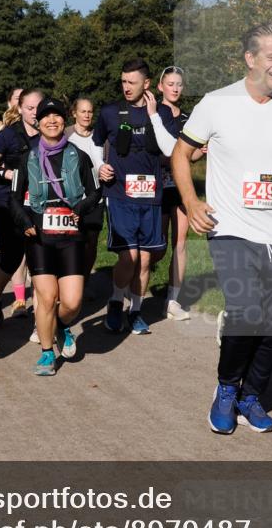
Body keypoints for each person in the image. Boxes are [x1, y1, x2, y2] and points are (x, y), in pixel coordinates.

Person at [172, 23, 272, 435]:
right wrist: (191, 202)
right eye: (271, 56)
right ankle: (225, 389)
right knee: (245, 311)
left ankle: (251, 396)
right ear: (250, 59)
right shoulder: (217, 104)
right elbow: (180, 155)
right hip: (231, 225)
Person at [9, 97, 102, 374]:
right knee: (47, 298)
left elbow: (96, 192)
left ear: (65, 121)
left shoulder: (79, 156)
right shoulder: (27, 158)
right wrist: (24, 220)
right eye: (46, 116)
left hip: (71, 235)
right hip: (39, 236)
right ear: (38, 122)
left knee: (72, 302)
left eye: (57, 116)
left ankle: (61, 326)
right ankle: (47, 354)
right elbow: (14, 199)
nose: (52, 121)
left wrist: (81, 209)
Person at [92, 59, 177, 335]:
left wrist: (153, 114)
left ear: (147, 84)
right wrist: (99, 166)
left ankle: (137, 310)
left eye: (132, 82)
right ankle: (116, 303)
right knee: (129, 256)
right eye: (123, 82)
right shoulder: (110, 112)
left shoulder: (163, 113)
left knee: (144, 259)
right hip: (119, 194)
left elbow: (171, 149)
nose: (126, 87)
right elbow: (95, 143)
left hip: (151, 195)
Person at [0, 88, 43, 324]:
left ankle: (42, 321)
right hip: (8, 203)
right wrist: (10, 174)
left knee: (40, 260)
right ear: (19, 109)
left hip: (39, 204)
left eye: (39, 107)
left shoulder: (51, 133)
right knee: (11, 258)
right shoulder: (8, 134)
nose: (35, 113)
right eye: (29, 108)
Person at [151, 66, 199, 321]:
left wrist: (202, 150)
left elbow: (196, 151)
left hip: (180, 185)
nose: (175, 88)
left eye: (179, 84)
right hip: (157, 185)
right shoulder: (153, 112)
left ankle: (173, 301)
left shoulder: (190, 118)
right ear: (160, 87)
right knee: (157, 248)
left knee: (180, 243)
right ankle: (129, 287)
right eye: (170, 84)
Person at [65, 96, 104, 290]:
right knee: (71, 244)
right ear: (74, 113)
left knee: (90, 244)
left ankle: (83, 283)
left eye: (90, 111)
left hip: (95, 197)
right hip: (69, 199)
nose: (87, 115)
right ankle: (66, 284)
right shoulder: (65, 135)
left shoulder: (100, 136)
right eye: (83, 111)